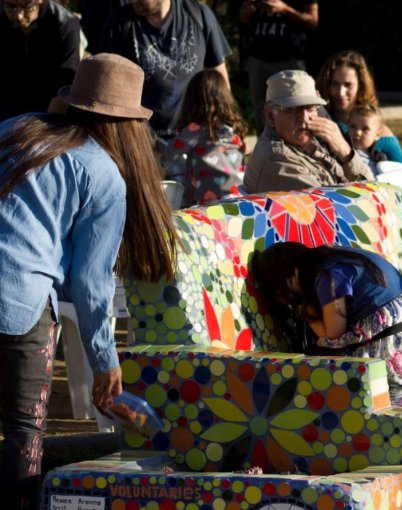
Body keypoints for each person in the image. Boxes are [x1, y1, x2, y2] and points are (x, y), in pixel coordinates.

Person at [0, 53, 177, 510]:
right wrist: (105, 362)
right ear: (128, 124)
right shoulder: (103, 173)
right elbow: (91, 283)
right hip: (18, 301)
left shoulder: (15, 128)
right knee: (23, 431)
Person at [251, 242, 402, 386]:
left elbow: (334, 335)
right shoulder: (338, 255)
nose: (284, 301)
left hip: (395, 346)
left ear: (290, 277)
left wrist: (305, 313)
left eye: (280, 293)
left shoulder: (327, 276)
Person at [98, 0, 232, 143]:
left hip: (194, 139)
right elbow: (105, 90)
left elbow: (219, 77)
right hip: (142, 141)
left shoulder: (198, 15)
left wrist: (226, 124)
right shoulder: (119, 24)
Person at [243, 69, 374, 194]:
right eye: (293, 109)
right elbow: (335, 207)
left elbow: (371, 189)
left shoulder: (302, 141)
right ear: (271, 116)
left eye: (311, 108)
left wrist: (345, 151)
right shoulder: (277, 159)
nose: (304, 118)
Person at [163, 69, 248, 207]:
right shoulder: (234, 128)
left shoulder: (195, 129)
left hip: (209, 201)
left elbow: (170, 153)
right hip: (239, 194)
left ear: (192, 101)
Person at [316, 50, 402, 164]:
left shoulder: (378, 132)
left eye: (348, 85)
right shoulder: (318, 119)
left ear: (361, 86)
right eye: (334, 84)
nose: (340, 92)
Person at [239, 0, 318, 133]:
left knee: (298, 104)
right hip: (258, 57)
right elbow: (244, 17)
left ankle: (298, 147)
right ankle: (266, 148)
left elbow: (313, 21)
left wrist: (285, 9)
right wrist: (246, 11)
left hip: (290, 58)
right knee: (261, 109)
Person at [1, 0, 80, 120]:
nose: (19, 15)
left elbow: (64, 86)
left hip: (46, 106)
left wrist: (48, 128)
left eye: (27, 7)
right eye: (11, 7)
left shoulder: (64, 23)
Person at [347, 104, 389, 174]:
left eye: (365, 129)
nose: (358, 133)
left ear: (377, 134)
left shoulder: (380, 159)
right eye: (353, 126)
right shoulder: (344, 155)